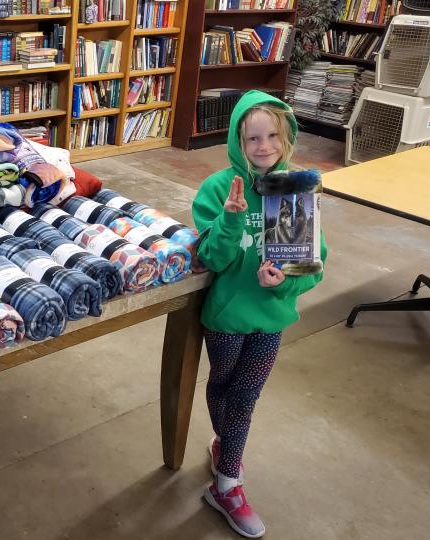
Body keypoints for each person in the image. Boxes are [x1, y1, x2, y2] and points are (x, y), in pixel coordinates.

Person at [191, 90, 328, 538]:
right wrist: (231, 218)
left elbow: (311, 266)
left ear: (285, 138)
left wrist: (285, 282)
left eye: (272, 136)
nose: (263, 146)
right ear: (237, 140)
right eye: (252, 138)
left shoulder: (292, 188)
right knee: (221, 388)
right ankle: (225, 445)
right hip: (226, 318)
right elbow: (213, 259)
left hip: (270, 317)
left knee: (245, 399)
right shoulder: (218, 188)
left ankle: (227, 483)